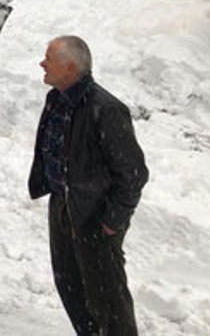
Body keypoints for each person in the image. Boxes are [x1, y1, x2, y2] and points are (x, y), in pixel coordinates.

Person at [29, 35, 148, 336]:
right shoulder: (56, 99)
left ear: (70, 68)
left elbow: (133, 173)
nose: (42, 63)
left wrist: (112, 221)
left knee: (107, 297)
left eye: (49, 58)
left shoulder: (105, 109)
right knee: (69, 285)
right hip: (63, 204)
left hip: (95, 215)